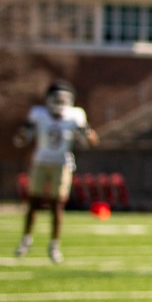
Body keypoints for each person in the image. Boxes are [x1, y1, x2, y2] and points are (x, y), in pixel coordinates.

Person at [14, 80, 95, 263]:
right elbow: (20, 140)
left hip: (62, 163)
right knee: (33, 202)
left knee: (57, 204)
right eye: (56, 98)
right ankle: (26, 239)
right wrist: (23, 132)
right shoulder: (38, 114)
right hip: (41, 161)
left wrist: (86, 131)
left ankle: (54, 244)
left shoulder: (75, 115)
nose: (59, 102)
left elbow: (92, 141)